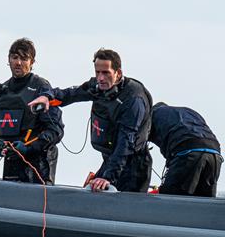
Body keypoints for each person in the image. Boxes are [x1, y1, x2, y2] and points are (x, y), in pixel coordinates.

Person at [30, 48, 153, 192]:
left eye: (106, 73)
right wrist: (47, 96)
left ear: (118, 73)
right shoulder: (98, 87)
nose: (100, 78)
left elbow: (126, 143)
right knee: (91, 191)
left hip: (133, 165)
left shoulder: (133, 99)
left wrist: (108, 177)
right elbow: (69, 94)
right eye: (97, 72)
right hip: (110, 159)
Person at [0, 38, 64, 184]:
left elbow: (55, 130)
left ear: (32, 62)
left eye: (24, 58)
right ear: (9, 60)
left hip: (39, 166)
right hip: (11, 163)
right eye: (15, 57)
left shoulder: (42, 89)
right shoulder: (0, 92)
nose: (18, 63)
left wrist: (28, 147)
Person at [150, 102, 222, 197]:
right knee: (205, 203)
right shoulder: (188, 111)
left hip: (188, 151)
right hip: (215, 153)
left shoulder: (151, 115)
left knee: (170, 199)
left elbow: (137, 145)